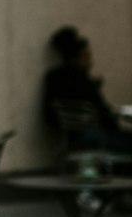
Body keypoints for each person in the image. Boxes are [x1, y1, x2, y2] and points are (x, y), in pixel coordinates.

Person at [41, 26, 132, 155]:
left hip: (71, 137)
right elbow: (105, 115)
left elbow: (49, 114)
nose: (90, 61)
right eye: (86, 56)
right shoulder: (84, 82)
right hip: (95, 137)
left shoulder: (52, 78)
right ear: (74, 58)